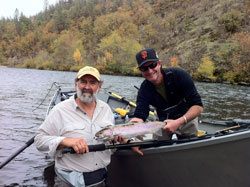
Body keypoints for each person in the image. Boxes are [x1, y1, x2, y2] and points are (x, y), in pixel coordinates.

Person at [35, 66, 115, 187]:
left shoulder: (106, 109)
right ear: (76, 85)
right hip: (68, 181)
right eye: (83, 82)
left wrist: (117, 141)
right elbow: (39, 141)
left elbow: (111, 146)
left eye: (92, 83)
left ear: (99, 87)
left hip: (100, 179)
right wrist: (65, 141)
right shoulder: (59, 110)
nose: (87, 87)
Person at [131, 48, 203, 140]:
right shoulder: (144, 89)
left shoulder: (180, 75)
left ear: (159, 63)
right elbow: (140, 114)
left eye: (152, 65)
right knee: (158, 147)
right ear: (141, 71)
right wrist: (132, 125)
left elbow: (198, 106)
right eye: (144, 68)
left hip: (186, 117)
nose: (149, 70)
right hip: (161, 120)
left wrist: (178, 122)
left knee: (190, 147)